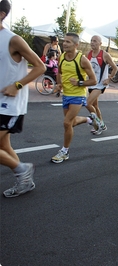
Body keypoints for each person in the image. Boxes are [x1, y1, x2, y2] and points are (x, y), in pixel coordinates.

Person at [0, 0, 46, 197]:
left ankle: (23, 170)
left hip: (9, 104)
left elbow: (40, 67)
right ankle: (24, 179)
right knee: (3, 146)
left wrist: (17, 85)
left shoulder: (13, 40)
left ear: (1, 14)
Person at [51, 32, 98, 163]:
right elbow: (59, 72)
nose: (64, 44)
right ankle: (89, 119)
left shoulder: (82, 59)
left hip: (78, 95)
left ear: (76, 45)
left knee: (66, 123)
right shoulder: (61, 57)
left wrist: (79, 83)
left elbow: (94, 81)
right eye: (64, 41)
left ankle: (64, 151)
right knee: (70, 123)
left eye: (68, 42)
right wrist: (59, 84)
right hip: (66, 94)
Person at [86, 35, 118, 135]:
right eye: (91, 40)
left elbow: (115, 68)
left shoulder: (104, 55)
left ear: (100, 43)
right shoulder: (89, 54)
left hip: (100, 85)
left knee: (88, 104)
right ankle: (103, 125)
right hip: (91, 84)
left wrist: (109, 79)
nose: (92, 43)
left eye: (95, 41)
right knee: (95, 105)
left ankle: (98, 124)